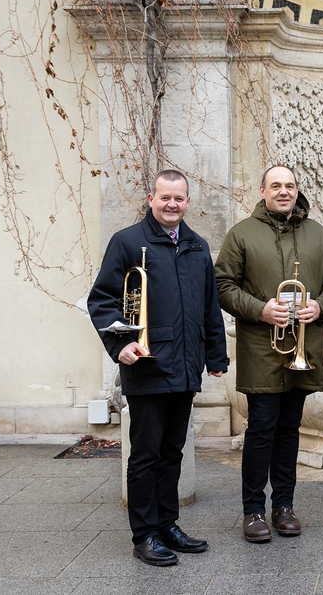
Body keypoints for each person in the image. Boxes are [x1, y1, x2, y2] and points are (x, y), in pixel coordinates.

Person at [88, 170, 228, 567]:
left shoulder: (197, 246)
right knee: (146, 455)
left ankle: (167, 525)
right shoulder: (127, 242)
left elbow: (209, 307)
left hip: (186, 365)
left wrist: (216, 356)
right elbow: (102, 300)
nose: (172, 204)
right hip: (147, 366)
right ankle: (145, 534)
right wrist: (120, 344)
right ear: (151, 199)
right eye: (165, 197)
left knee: (172, 452)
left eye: (179, 198)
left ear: (188, 202)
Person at [215, 165, 323, 543]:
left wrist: (320, 306)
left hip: (304, 347)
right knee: (260, 430)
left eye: (289, 185)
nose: (283, 191)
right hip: (262, 348)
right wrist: (260, 309)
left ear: (297, 190)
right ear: (263, 191)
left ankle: (284, 507)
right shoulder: (242, 233)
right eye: (276, 186)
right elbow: (222, 285)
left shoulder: (316, 233)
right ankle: (253, 511)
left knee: (290, 430)